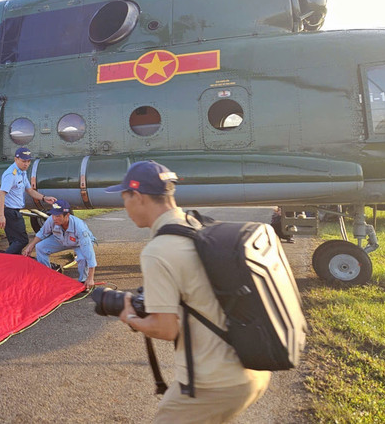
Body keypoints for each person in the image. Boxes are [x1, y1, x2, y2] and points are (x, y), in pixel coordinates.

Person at [106, 160, 271, 422]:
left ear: (136, 196)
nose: (124, 207)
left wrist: (131, 318)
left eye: (124, 197)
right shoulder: (197, 225)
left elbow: (165, 329)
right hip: (252, 369)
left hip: (213, 384)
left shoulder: (159, 250)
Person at [21, 199, 97, 288]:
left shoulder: (79, 228)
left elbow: (89, 253)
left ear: (67, 215)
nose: (54, 218)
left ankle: (84, 281)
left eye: (58, 216)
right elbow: (42, 233)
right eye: (53, 215)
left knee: (83, 258)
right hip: (60, 240)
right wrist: (31, 246)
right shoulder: (51, 220)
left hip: (78, 243)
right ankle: (46, 277)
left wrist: (91, 278)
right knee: (40, 247)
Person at [0, 147, 56, 254]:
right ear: (16, 159)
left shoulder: (21, 172)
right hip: (10, 212)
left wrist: (44, 198)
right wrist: (1, 216)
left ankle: (13, 264)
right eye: (24, 161)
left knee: (15, 241)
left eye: (28, 161)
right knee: (22, 240)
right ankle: (4, 261)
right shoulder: (11, 174)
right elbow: (1, 194)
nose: (26, 164)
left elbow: (29, 190)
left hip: (14, 211)